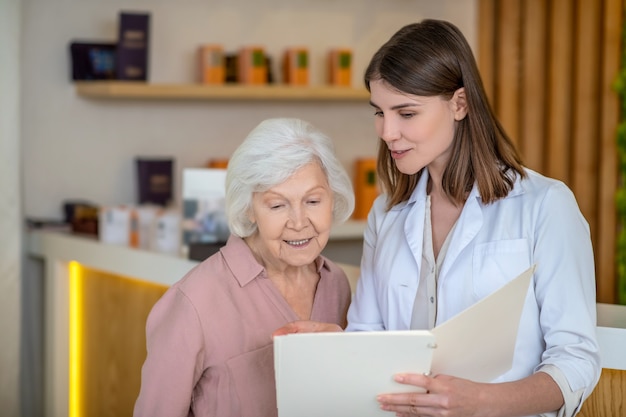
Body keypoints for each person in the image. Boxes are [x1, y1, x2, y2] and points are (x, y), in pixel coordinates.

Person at [276, 19, 601, 417]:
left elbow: (576, 361)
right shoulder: (387, 214)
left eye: (406, 113)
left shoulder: (545, 205)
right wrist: (339, 346)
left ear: (459, 104)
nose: (388, 132)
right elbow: (371, 336)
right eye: (379, 112)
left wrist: (481, 402)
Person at [133, 117, 355, 417]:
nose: (300, 222)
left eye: (313, 201)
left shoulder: (337, 284)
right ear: (248, 209)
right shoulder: (193, 302)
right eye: (277, 205)